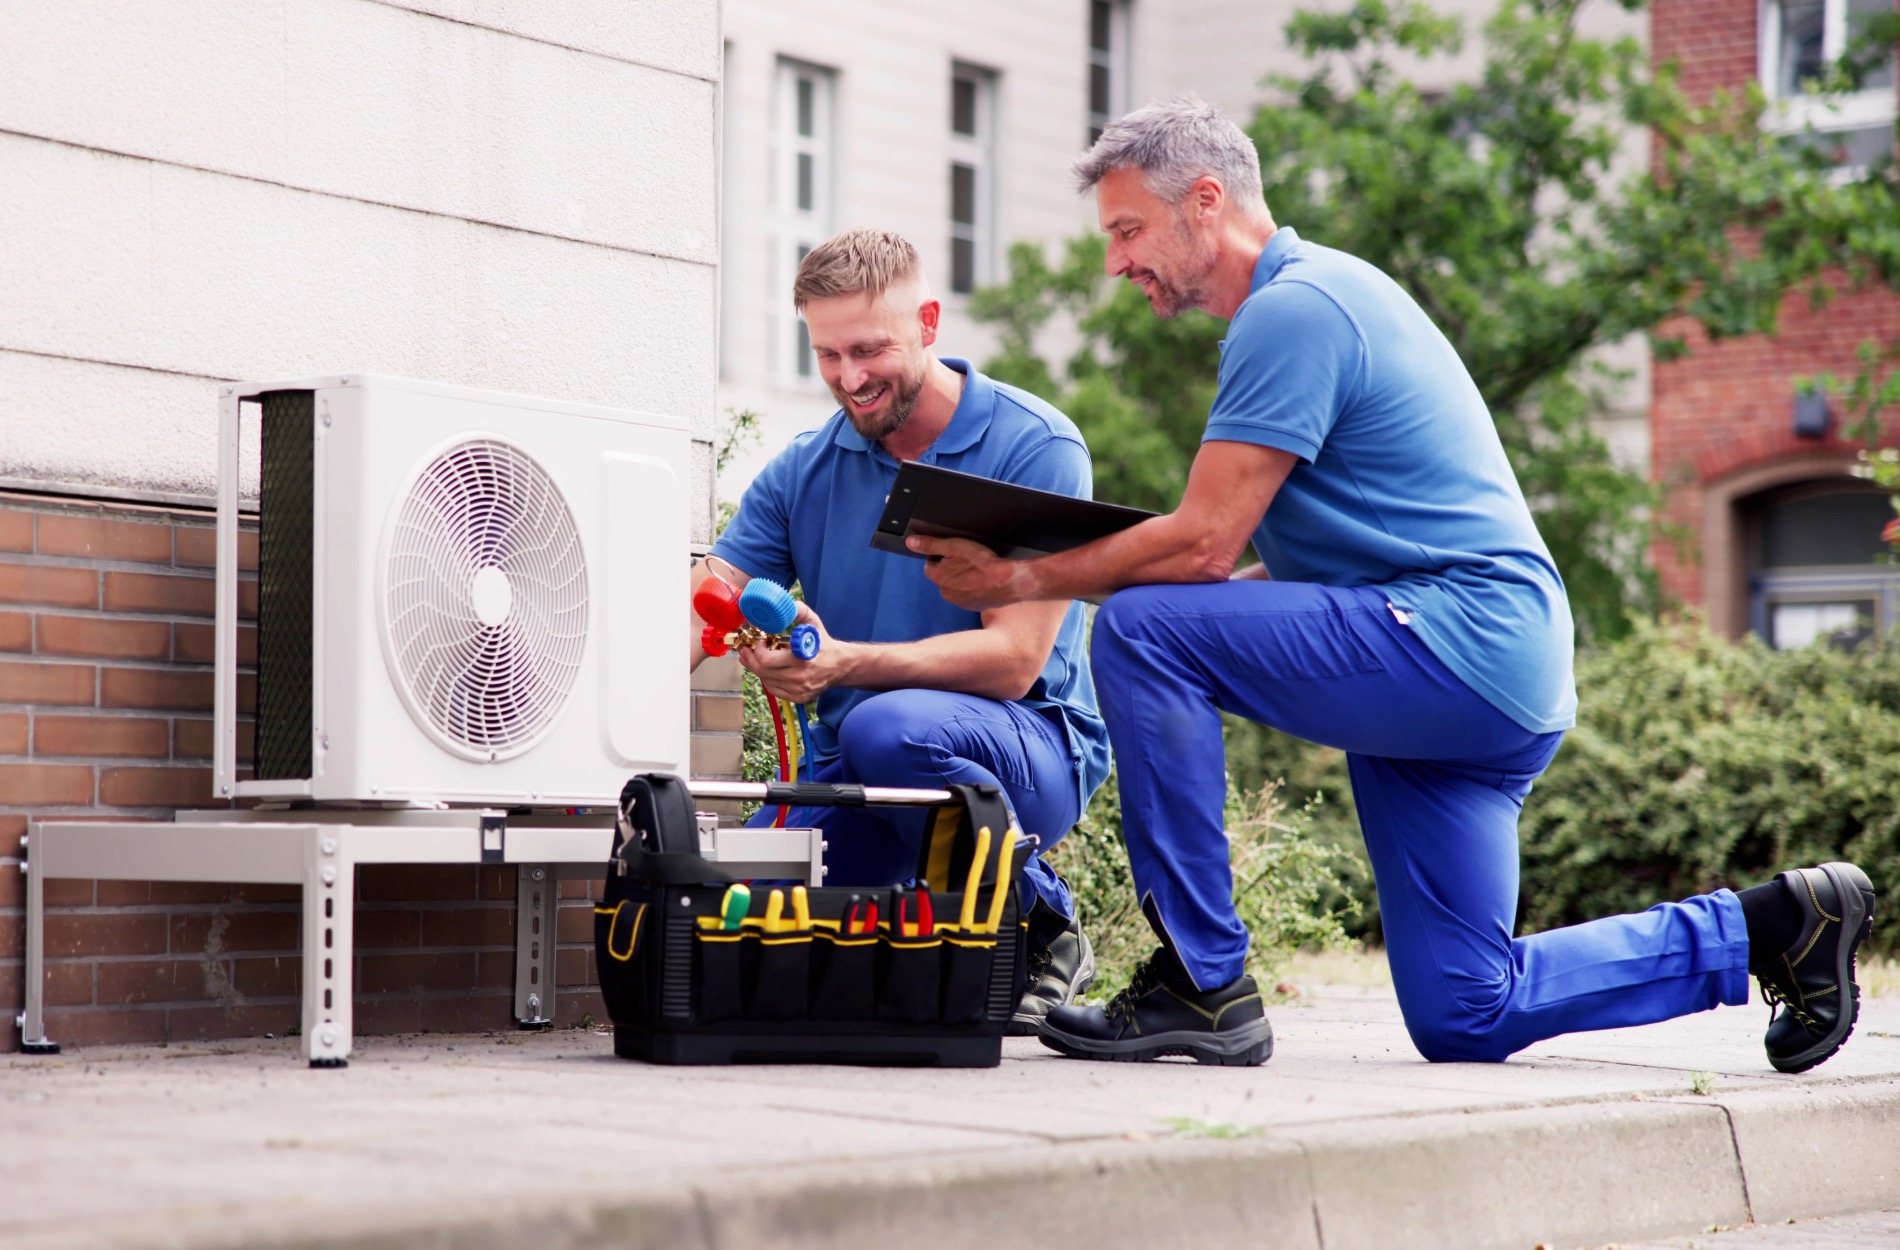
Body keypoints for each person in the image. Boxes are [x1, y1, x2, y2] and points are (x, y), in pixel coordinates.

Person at [911, 98, 1877, 1070]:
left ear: (1205, 201)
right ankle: (1772, 926)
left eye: (1127, 230)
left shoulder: (1294, 310)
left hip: (1454, 639)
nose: (1117, 261)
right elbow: (1256, 567)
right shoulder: (1323, 299)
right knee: (1465, 1007)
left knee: (1143, 628)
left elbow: (1201, 548)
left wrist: (1020, 573)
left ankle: (1199, 979)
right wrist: (1183, 598)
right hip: (1485, 671)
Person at [691, 228, 1112, 1032]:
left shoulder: (1034, 446)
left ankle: (1041, 920)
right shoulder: (804, 469)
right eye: (827, 355)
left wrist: (842, 663)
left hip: (1024, 751)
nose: (849, 379)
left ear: (927, 321)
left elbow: (1016, 662)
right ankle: (942, 929)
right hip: (856, 767)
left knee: (889, 724)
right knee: (725, 922)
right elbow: (704, 598)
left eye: (869, 349)